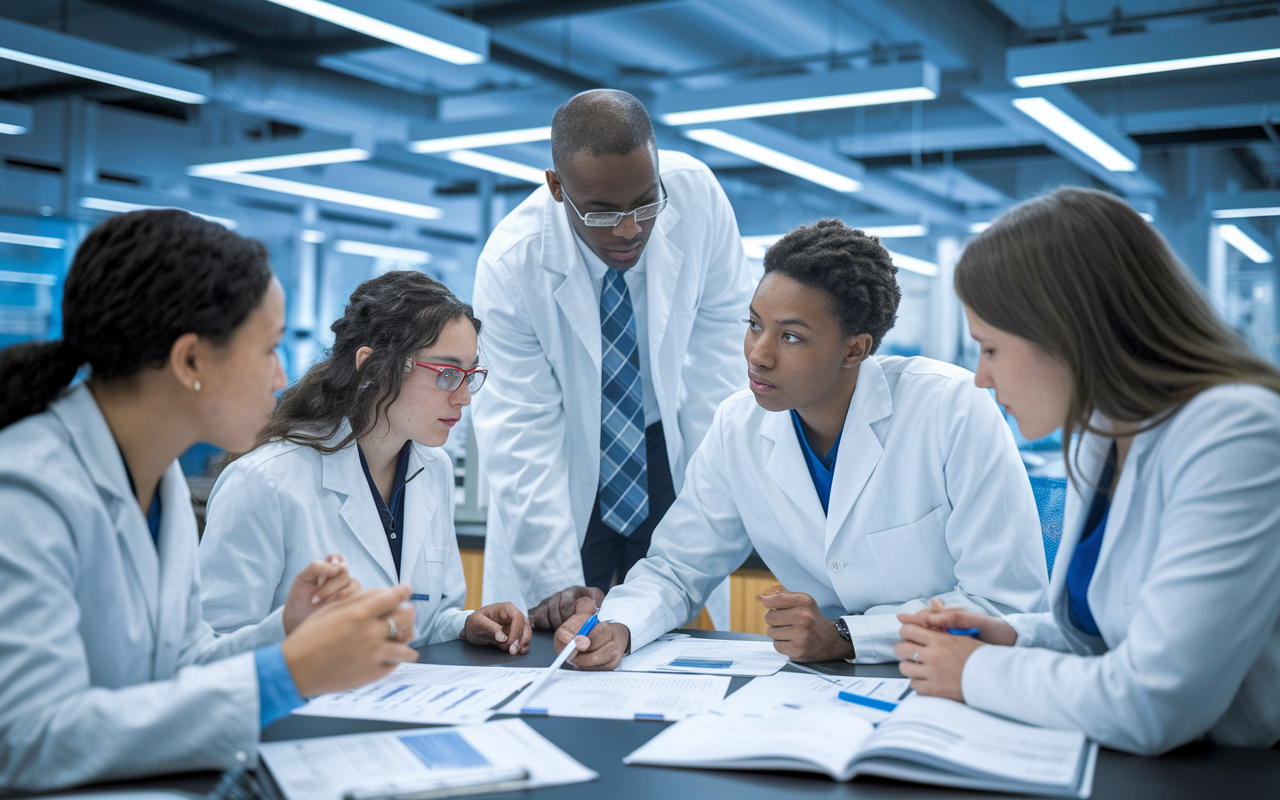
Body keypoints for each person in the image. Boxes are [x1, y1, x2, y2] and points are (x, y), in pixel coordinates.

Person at [0, 210, 420, 791]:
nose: (280, 377)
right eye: (269, 348)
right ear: (191, 360)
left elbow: (177, 665)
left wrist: (287, 632)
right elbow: (25, 739)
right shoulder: (24, 490)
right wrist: (287, 673)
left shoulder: (158, 475)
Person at [554, 219, 1048, 666]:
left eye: (790, 337)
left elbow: (1004, 602)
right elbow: (678, 569)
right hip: (822, 689)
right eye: (754, 325)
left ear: (856, 349)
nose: (758, 355)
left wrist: (849, 635)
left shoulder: (951, 408)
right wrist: (619, 626)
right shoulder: (737, 427)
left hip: (950, 673)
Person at [895, 187, 1280, 754]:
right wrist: (1013, 638)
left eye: (990, 348)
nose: (980, 377)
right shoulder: (1104, 434)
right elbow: (1112, 636)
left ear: (1065, 334)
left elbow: (1155, 700)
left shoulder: (1234, 433)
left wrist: (974, 672)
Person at [471, 88, 755, 629]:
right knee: (569, 638)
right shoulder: (513, 264)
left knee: (670, 633)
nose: (630, 229)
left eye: (646, 203)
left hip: (665, 451)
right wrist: (558, 588)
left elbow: (721, 362)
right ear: (557, 188)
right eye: (602, 213)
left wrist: (708, 499)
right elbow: (521, 430)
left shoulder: (696, 198)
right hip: (570, 464)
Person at [200, 271, 530, 654]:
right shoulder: (263, 482)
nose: (463, 398)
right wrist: (297, 631)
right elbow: (212, 650)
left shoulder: (432, 469)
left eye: (469, 375)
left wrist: (463, 624)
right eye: (446, 374)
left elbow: (427, 616)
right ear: (372, 368)